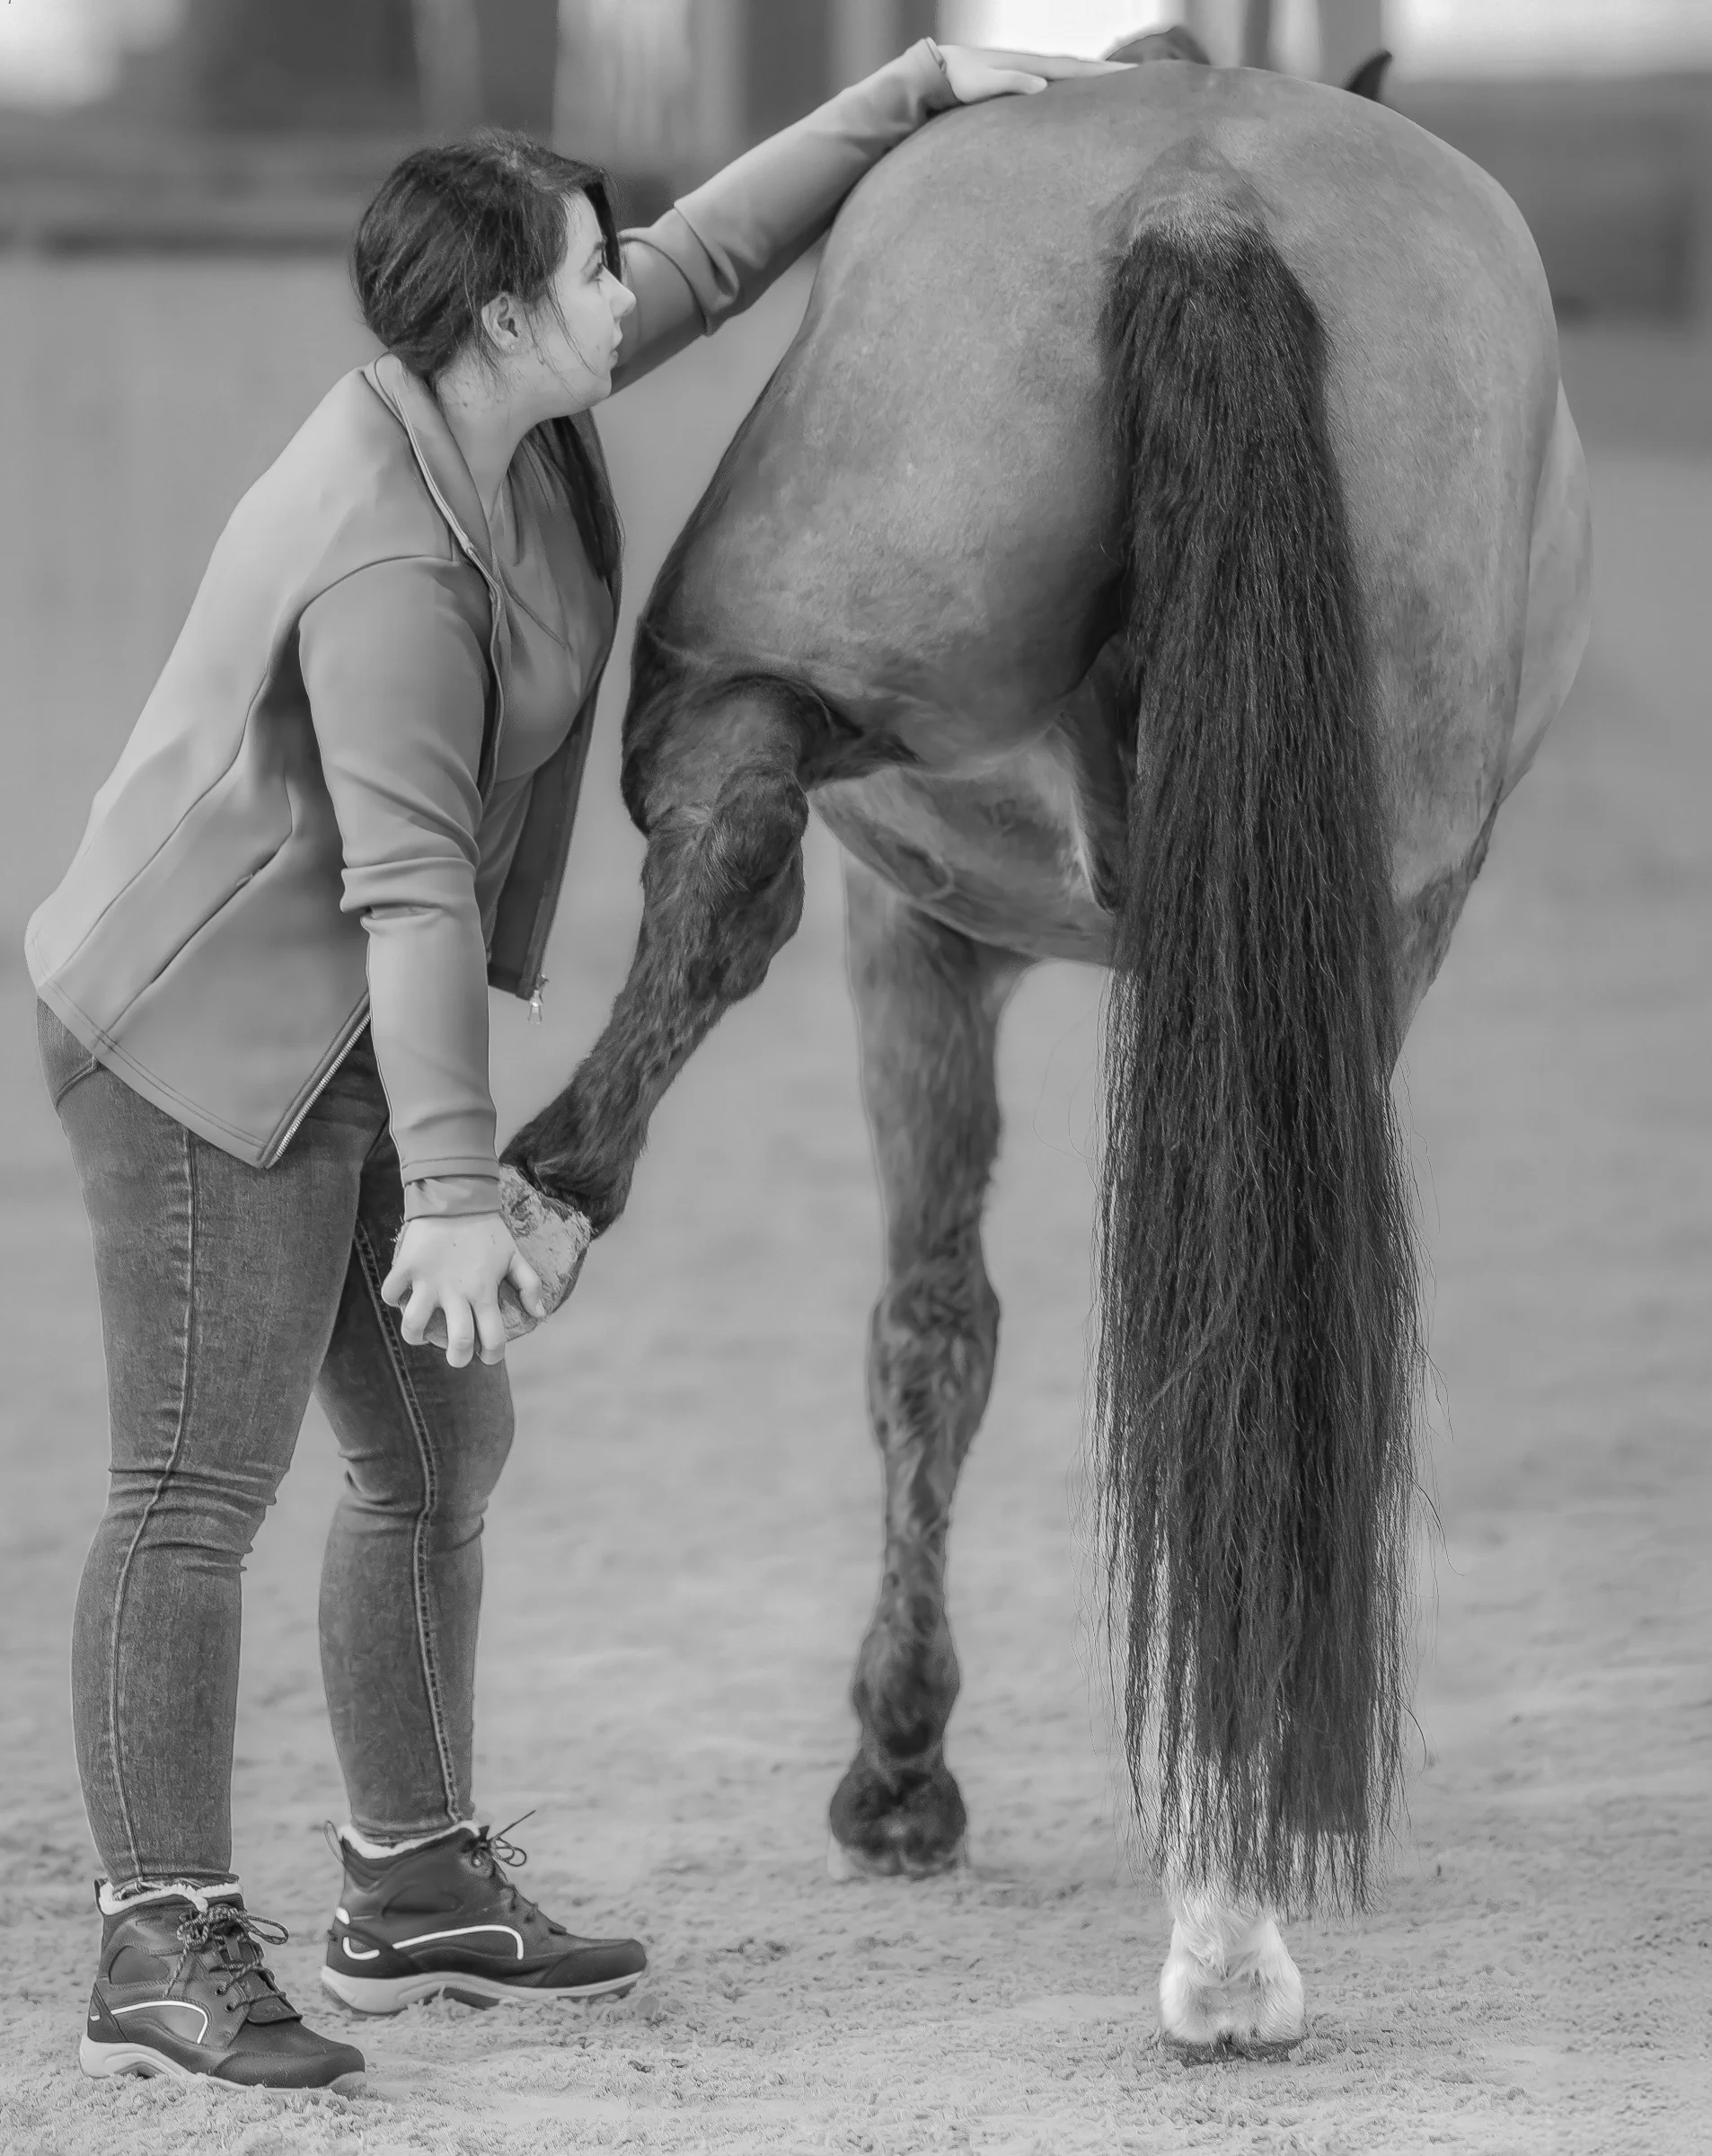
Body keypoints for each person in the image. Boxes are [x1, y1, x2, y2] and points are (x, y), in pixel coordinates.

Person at [26, 37, 1125, 2093]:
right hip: (202, 1039)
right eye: (589, 267)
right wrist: (452, 1190)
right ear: (505, 311)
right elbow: (409, 886)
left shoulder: (505, 413)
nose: (631, 284)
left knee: (438, 1455)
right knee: (195, 1484)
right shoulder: (389, 558)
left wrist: (916, 88)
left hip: (348, 1027)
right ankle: (154, 1941)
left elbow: (711, 251)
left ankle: (414, 1876)